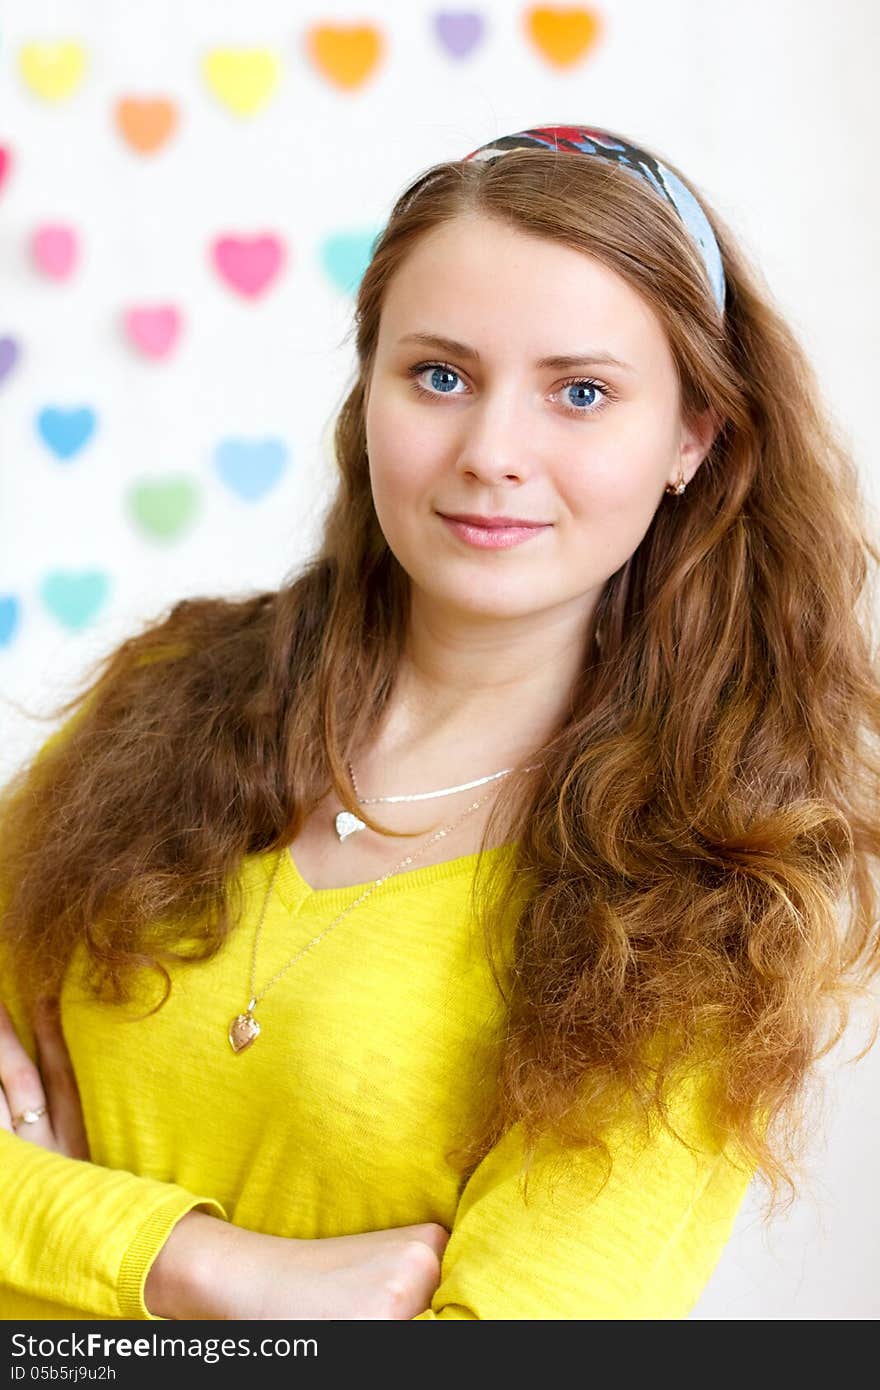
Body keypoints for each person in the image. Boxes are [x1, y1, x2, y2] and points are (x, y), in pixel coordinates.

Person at [1, 123, 879, 1322]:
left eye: (579, 392)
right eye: (440, 376)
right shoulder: (161, 703)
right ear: (370, 391)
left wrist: (46, 1233)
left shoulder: (710, 894)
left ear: (692, 437)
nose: (490, 454)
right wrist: (201, 1266)